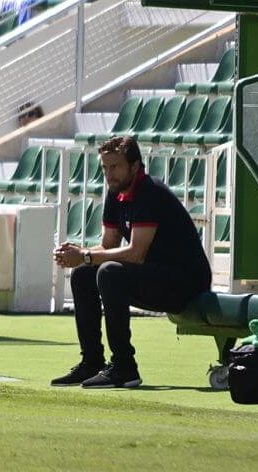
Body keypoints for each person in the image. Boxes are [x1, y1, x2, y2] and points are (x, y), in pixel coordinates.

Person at [51, 136, 211, 388]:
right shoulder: (116, 193)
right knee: (84, 274)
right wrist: (79, 253)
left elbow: (136, 253)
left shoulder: (149, 192)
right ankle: (91, 362)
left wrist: (85, 255)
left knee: (110, 272)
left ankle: (125, 366)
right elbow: (108, 246)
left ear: (135, 166)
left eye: (114, 167)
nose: (108, 174)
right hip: (153, 276)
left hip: (185, 283)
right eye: (104, 167)